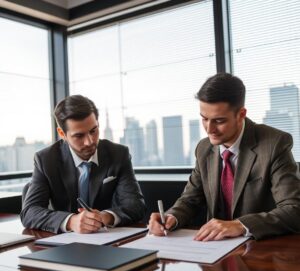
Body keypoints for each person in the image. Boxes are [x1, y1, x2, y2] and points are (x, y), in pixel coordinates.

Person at [149, 73, 300, 240]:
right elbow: (190, 199)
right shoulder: (203, 148)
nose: (209, 129)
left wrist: (240, 225)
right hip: (213, 249)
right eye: (204, 119)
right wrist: (172, 217)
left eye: (219, 121)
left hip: (258, 248)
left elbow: (294, 209)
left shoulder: (274, 143)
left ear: (241, 114)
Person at [20, 95, 146, 233]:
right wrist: (71, 221)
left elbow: (136, 206)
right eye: (79, 136)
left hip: (108, 239)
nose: (90, 141)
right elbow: (29, 212)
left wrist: (105, 217)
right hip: (64, 246)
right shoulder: (46, 159)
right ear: (62, 133)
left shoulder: (118, 154)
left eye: (93, 131)